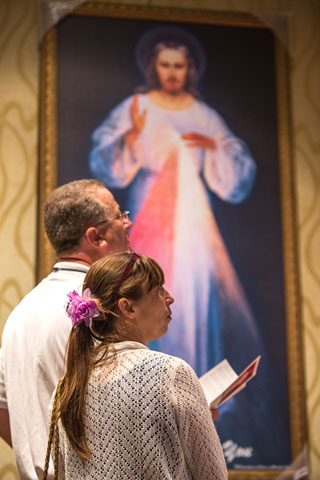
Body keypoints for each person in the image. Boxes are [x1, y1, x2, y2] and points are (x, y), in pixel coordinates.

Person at [89, 26, 257, 377]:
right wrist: (133, 134)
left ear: (189, 69)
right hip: (151, 207)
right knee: (147, 287)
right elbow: (105, 156)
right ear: (154, 67)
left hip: (193, 217)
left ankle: (195, 382)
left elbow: (236, 164)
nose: (172, 72)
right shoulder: (137, 107)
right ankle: (152, 377)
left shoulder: (202, 113)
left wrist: (212, 148)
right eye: (165, 65)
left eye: (178, 66)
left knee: (193, 294)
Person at [47, 251, 228, 479]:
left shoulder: (64, 390)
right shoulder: (170, 373)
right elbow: (213, 475)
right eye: (159, 289)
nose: (170, 297)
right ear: (128, 308)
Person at [0, 179, 132, 480]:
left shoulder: (20, 312)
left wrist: (38, 457)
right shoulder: (103, 307)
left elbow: (1, 405)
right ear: (96, 237)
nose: (129, 223)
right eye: (119, 216)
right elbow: (127, 406)